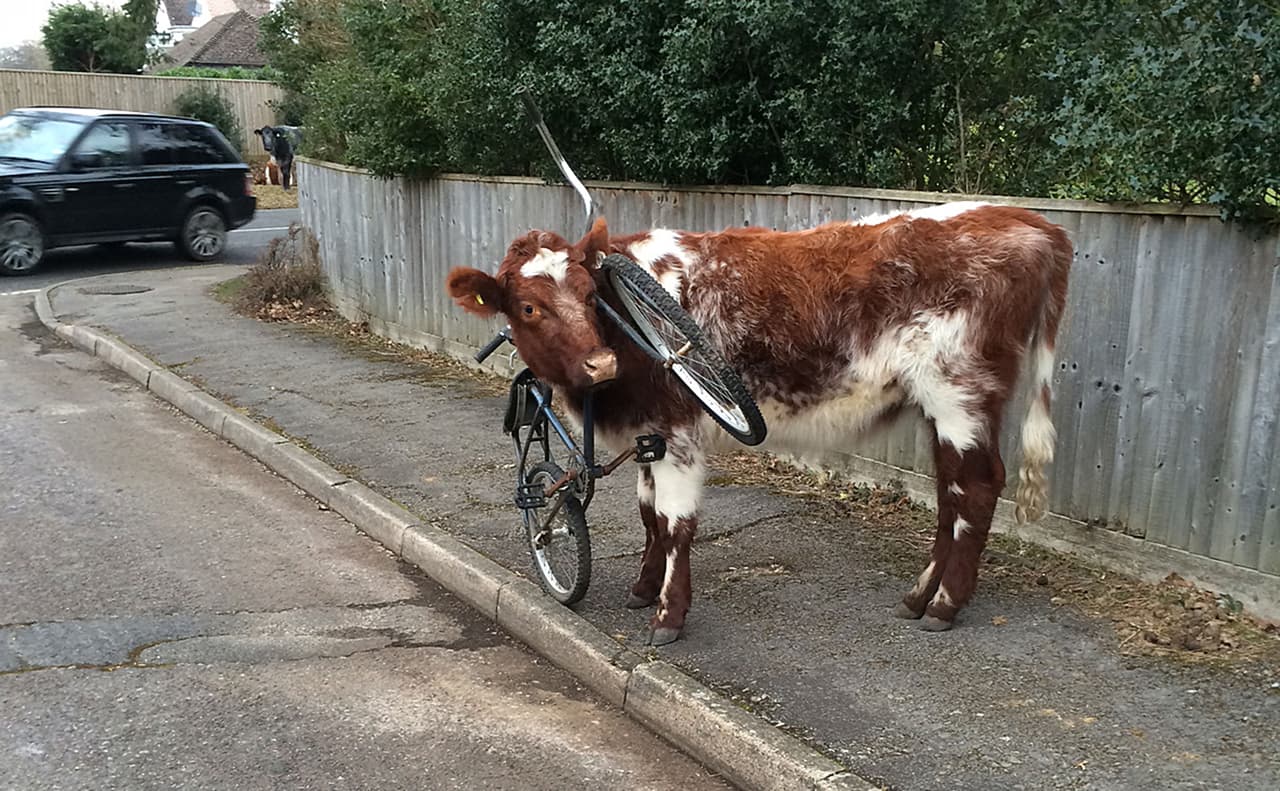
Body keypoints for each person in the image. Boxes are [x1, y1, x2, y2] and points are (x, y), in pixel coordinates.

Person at [253, 125, 296, 190]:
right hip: (282, 154)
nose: (267, 140)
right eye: (264, 138)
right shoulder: (277, 144)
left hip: (291, 153)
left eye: (270, 137)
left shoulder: (283, 140)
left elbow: (289, 156)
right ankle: (286, 186)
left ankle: (286, 186)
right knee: (284, 168)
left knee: (285, 168)